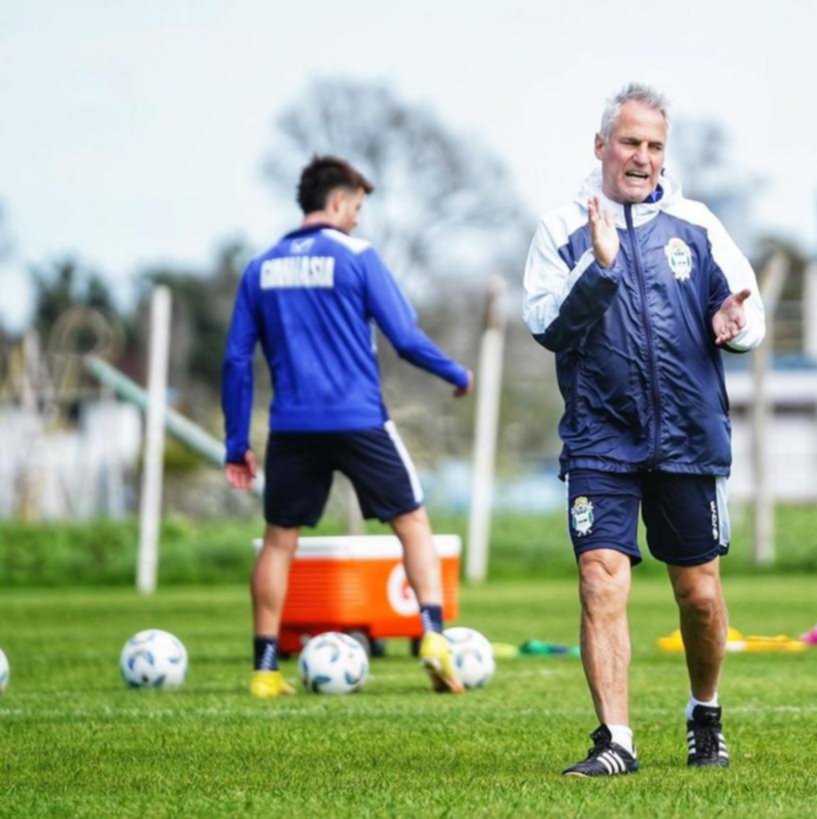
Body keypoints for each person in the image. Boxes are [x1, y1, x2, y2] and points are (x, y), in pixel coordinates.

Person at [522, 83, 765, 776]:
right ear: (601, 146)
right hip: (601, 438)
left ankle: (705, 713)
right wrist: (598, 269)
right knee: (601, 579)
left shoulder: (699, 224)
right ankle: (616, 740)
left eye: (655, 145)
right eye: (630, 142)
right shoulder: (560, 229)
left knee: (700, 593)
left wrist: (734, 328)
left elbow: (751, 315)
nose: (642, 157)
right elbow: (545, 325)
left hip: (688, 436)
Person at [222, 155, 473, 698]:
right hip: (359, 419)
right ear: (337, 202)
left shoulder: (259, 266)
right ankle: (433, 636)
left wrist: (236, 443)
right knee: (412, 522)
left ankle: (265, 670)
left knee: (278, 542)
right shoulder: (358, 256)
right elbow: (404, 337)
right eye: (357, 207)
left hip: (291, 426)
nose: (358, 219)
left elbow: (237, 361)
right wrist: (455, 372)